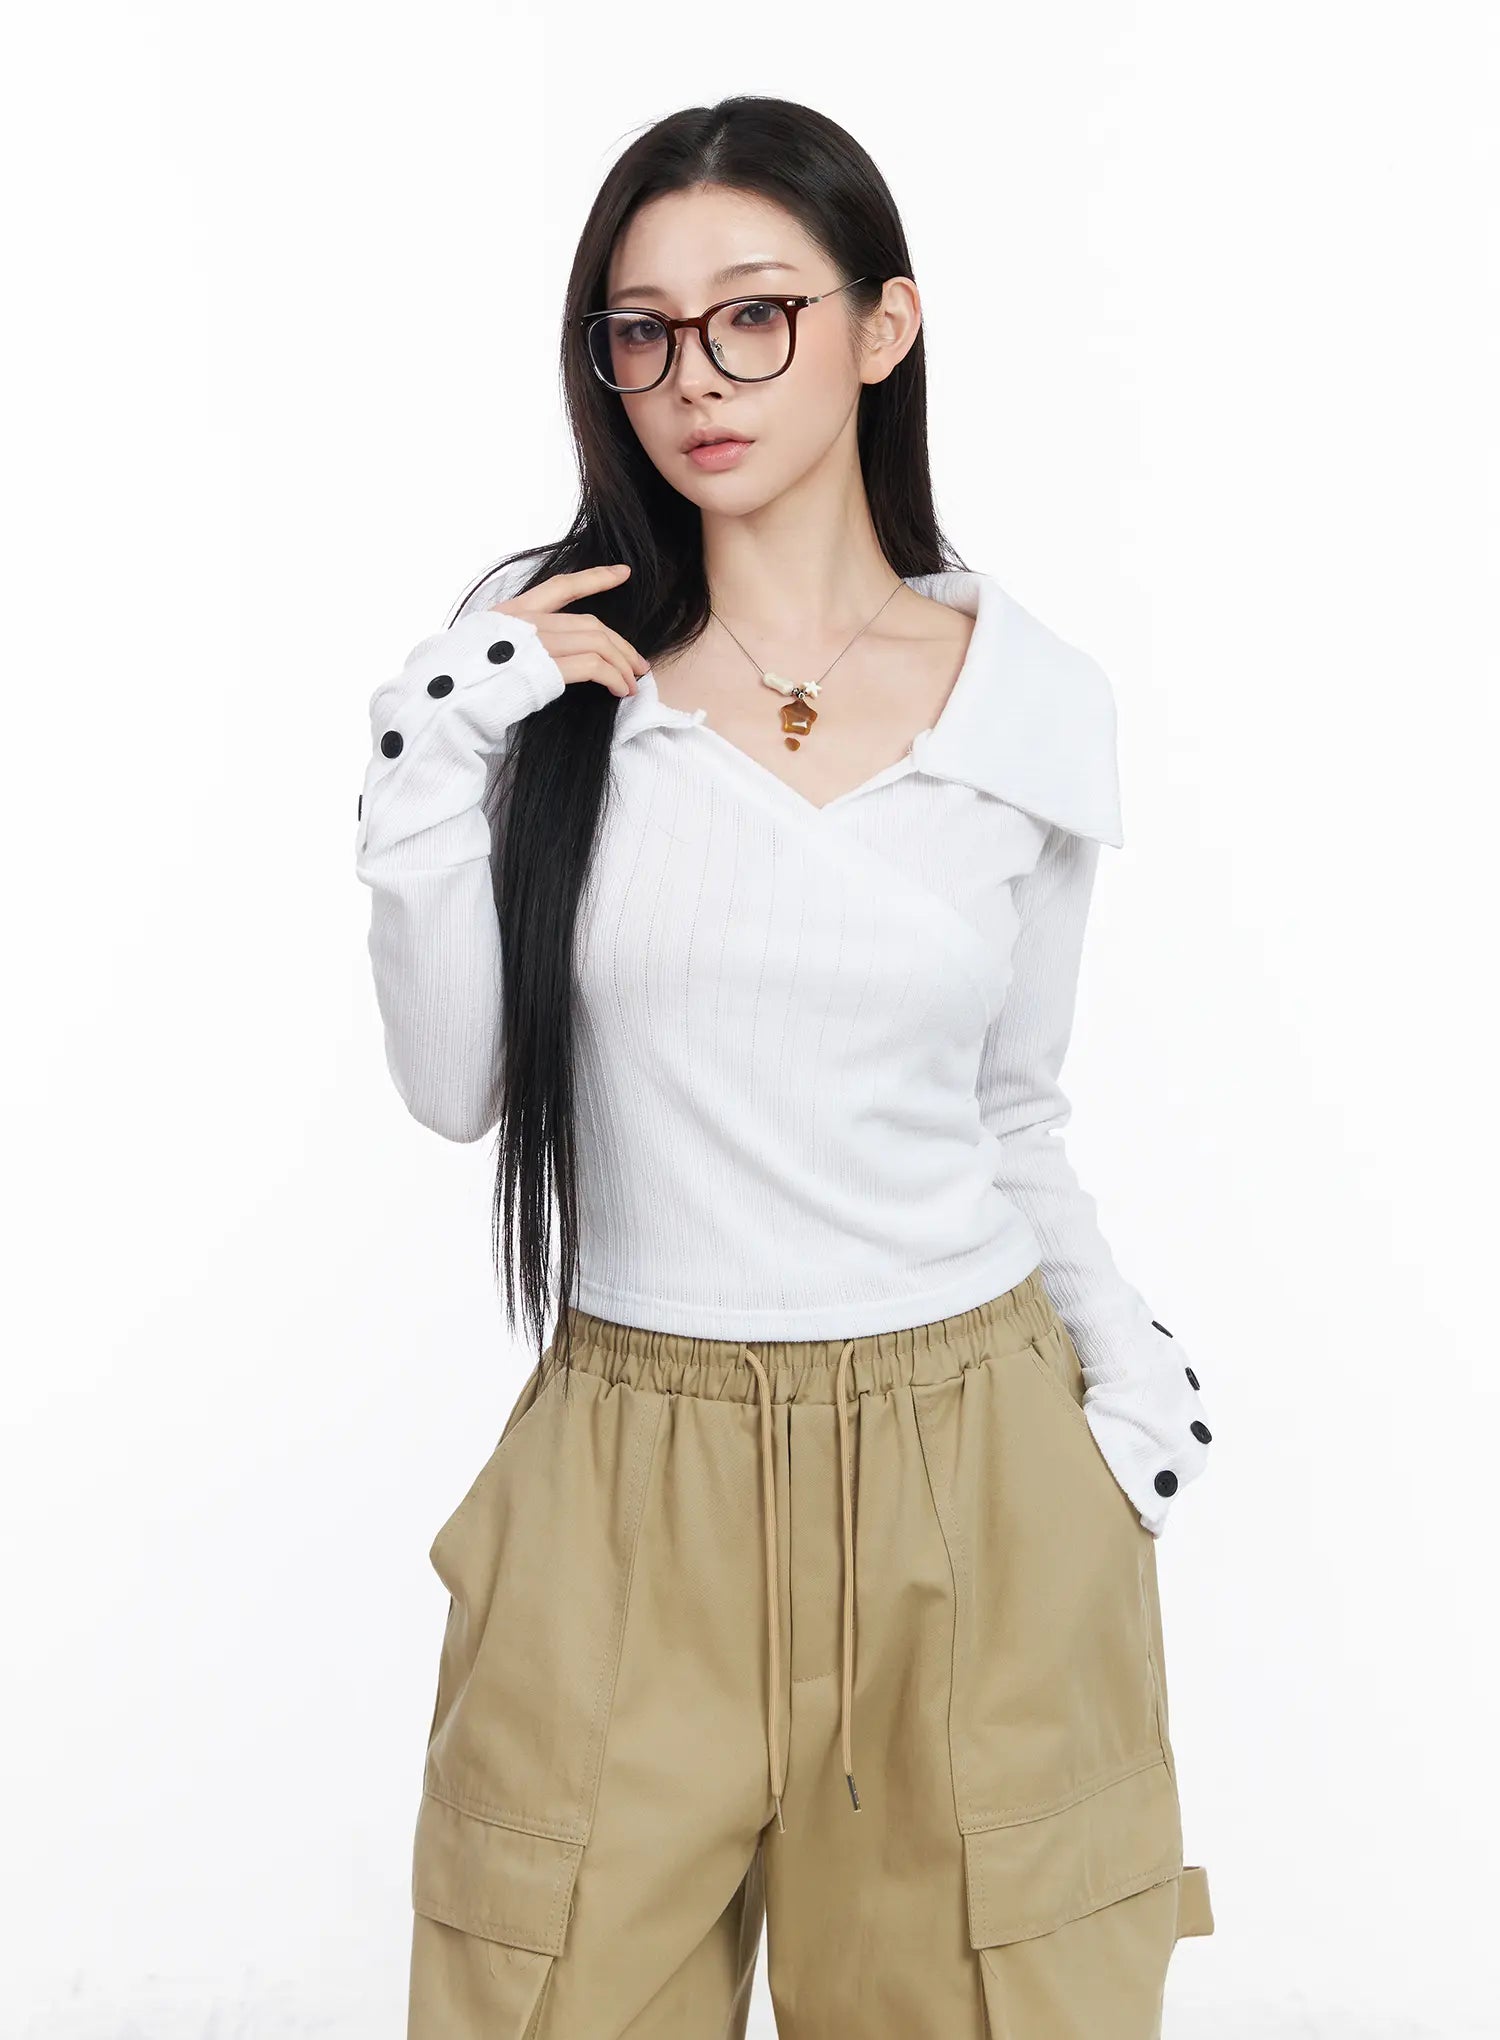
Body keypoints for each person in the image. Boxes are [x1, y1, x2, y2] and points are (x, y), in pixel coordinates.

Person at [354, 92, 1215, 2040]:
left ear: (882, 326)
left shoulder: (1028, 701)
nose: (696, 377)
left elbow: (1013, 1109)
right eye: (643, 331)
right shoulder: (548, 681)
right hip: (626, 1474)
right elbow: (456, 1083)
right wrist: (432, 745)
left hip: (974, 1474)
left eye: (756, 315)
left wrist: (1128, 1390)